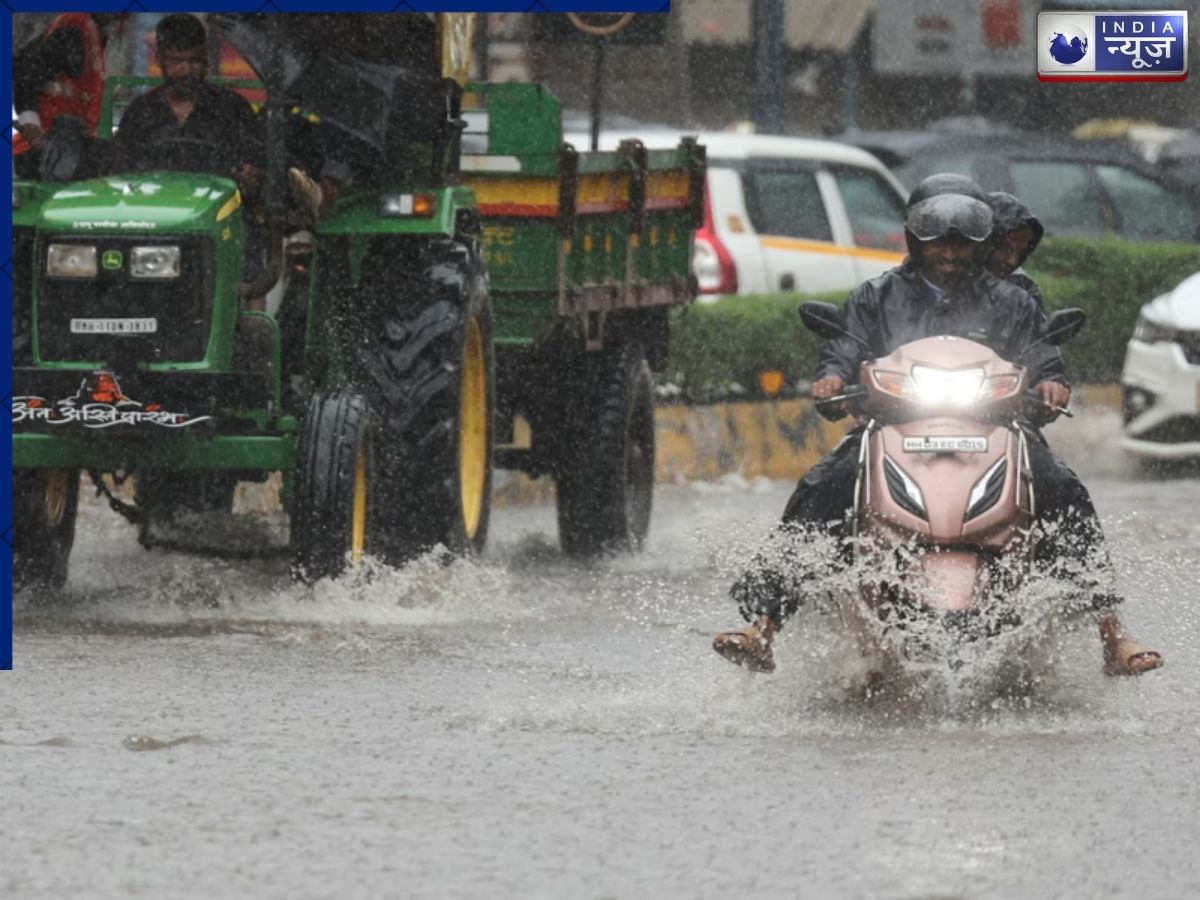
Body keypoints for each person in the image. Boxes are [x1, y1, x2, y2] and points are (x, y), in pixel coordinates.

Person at [712, 176, 1163, 678]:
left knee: (1064, 489)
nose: (948, 250)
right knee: (822, 487)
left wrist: (1052, 385)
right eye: (936, 237)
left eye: (960, 239)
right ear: (914, 239)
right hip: (892, 424)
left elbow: (1043, 356)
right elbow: (843, 346)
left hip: (999, 425)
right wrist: (831, 378)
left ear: (978, 243)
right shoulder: (876, 296)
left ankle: (1112, 633)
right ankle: (765, 626)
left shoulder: (1012, 301)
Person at [985, 191, 1047, 311]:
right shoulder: (948, 277)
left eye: (1023, 252)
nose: (1013, 261)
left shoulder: (1024, 288)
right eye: (1006, 248)